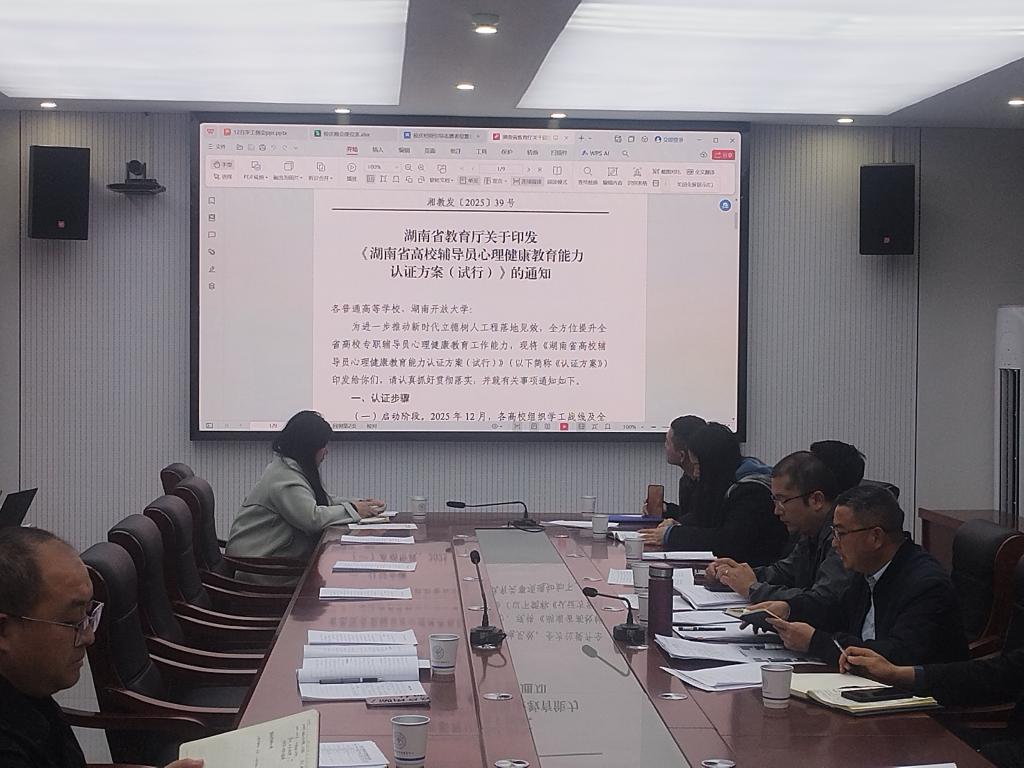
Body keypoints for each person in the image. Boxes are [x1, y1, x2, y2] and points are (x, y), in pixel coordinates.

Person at [0, 526, 203, 768]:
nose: (88, 637)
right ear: (3, 630)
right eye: (72, 622)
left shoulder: (29, 689)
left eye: (88, 615)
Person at [754, 484, 968, 667]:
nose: (834, 543)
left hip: (914, 699)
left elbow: (895, 656)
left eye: (841, 533)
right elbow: (835, 611)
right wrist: (789, 609)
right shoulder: (868, 569)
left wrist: (815, 642)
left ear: (875, 537)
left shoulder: (925, 585)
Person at [706, 444, 861, 603]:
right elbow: (784, 573)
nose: (777, 511)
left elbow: (822, 600)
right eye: (775, 500)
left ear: (816, 500)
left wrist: (753, 588)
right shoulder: (810, 530)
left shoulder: (843, 536)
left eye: (782, 500)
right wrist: (733, 574)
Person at [226, 410, 386, 563]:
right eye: (323, 446)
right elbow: (312, 519)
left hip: (272, 559)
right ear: (309, 447)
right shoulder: (284, 478)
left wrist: (360, 504)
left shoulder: (288, 469)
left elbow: (320, 502)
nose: (326, 452)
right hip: (260, 567)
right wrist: (354, 509)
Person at [840, 645, 1024, 767]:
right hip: (1000, 743)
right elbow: (998, 675)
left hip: (1005, 753)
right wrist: (897, 674)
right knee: (909, 740)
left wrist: (982, 756)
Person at [640, 422, 788, 567]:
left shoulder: (752, 492)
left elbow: (727, 542)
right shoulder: (723, 481)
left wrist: (672, 535)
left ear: (712, 464)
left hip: (757, 572)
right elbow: (705, 518)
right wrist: (679, 523)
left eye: (698, 466)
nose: (696, 473)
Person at [660, 414, 707, 521]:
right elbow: (691, 515)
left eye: (668, 442)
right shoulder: (686, 479)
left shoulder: (712, 485)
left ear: (682, 455)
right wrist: (667, 509)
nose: (665, 446)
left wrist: (674, 528)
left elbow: (701, 522)